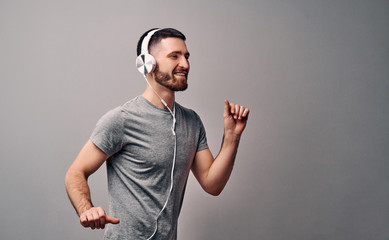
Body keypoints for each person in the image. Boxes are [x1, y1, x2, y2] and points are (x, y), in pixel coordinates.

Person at [65, 28, 250, 239]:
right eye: (174, 56)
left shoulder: (192, 122)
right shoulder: (122, 119)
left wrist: (232, 137)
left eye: (186, 56)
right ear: (147, 63)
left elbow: (212, 184)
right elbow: (75, 173)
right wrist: (86, 209)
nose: (185, 64)